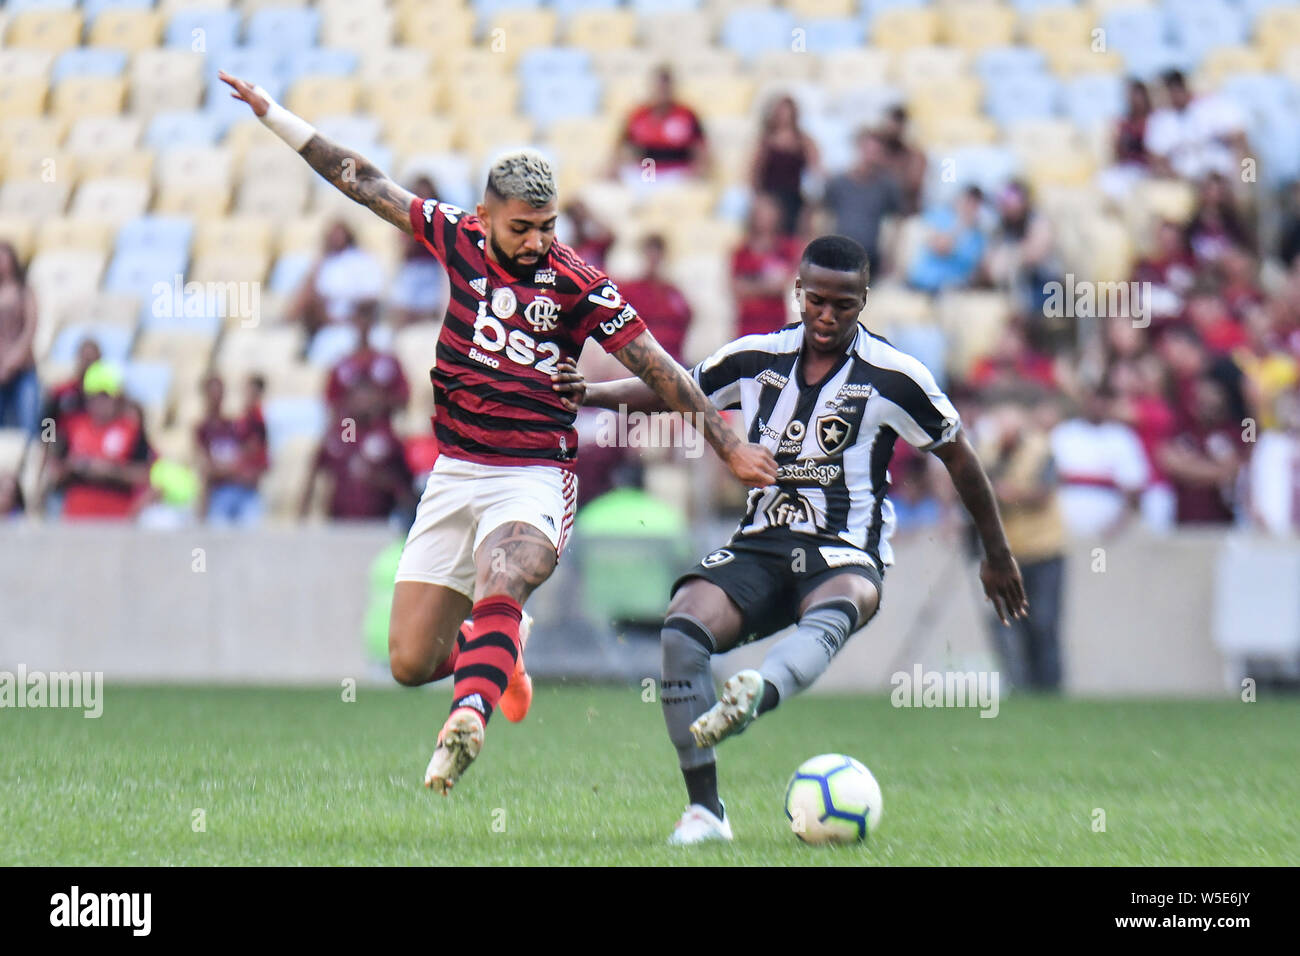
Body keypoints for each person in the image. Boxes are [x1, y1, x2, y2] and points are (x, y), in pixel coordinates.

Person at [219, 70, 775, 795]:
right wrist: (275, 116)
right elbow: (361, 179)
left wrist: (726, 442)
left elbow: (659, 366)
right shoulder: (456, 237)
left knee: (504, 576)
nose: (539, 241)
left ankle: (467, 718)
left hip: (533, 472)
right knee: (410, 662)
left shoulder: (578, 283)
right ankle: (501, 657)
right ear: (485, 216)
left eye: (549, 227)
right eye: (523, 227)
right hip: (455, 470)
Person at [576, 235, 1027, 844]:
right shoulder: (757, 356)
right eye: (816, 300)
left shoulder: (897, 377)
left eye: (843, 304)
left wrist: (997, 555)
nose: (827, 315)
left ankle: (757, 692)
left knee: (840, 601)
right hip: (762, 541)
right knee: (682, 630)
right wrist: (594, 392)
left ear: (864, 300)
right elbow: (674, 389)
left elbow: (962, 459)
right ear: (799, 292)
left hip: (846, 550)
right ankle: (706, 812)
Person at [974, 400, 1066, 692]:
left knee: (1044, 621)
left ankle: (1049, 687)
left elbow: (1044, 494)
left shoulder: (1042, 449)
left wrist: (1009, 495)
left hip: (1044, 549)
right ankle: (1020, 686)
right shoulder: (986, 451)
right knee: (1012, 624)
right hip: (1006, 554)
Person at [43, 361, 151, 521]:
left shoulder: (131, 429)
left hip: (115, 516)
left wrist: (110, 470)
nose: (100, 403)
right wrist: (71, 466)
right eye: (95, 396)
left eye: (105, 396)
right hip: (76, 515)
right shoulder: (72, 425)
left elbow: (145, 474)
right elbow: (47, 425)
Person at [288, 219, 385, 344]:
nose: (335, 239)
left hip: (354, 313)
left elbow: (372, 295)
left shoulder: (363, 260)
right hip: (325, 316)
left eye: (338, 234)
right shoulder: (323, 262)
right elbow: (313, 291)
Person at [822, 129, 903, 273]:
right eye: (868, 150)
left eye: (876, 152)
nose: (871, 156)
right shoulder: (838, 182)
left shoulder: (887, 186)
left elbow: (895, 221)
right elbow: (825, 216)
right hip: (838, 253)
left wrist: (890, 255)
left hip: (870, 257)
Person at [614, 66, 708, 186]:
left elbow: (700, 149)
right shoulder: (638, 115)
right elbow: (620, 146)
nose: (661, 93)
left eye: (665, 89)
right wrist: (613, 166)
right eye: (658, 88)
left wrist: (698, 170)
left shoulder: (686, 115)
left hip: (677, 173)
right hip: (648, 172)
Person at [195, 373, 267, 525]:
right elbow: (206, 468)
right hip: (219, 493)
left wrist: (226, 469)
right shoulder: (201, 430)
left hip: (245, 492)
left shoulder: (235, 426)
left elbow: (252, 459)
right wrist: (235, 470)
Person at [324, 299, 410, 421]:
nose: (363, 323)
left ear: (373, 322)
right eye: (359, 318)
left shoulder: (388, 362)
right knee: (347, 438)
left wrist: (378, 401)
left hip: (380, 426)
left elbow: (403, 399)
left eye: (367, 317)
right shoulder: (342, 365)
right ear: (353, 321)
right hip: (350, 426)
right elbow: (332, 403)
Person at [730, 192, 802, 338]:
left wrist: (753, 285)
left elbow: (790, 283)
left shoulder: (788, 249)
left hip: (778, 327)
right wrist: (769, 285)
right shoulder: (742, 252)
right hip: (748, 328)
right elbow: (737, 288)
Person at [751, 94, 822, 236]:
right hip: (770, 197)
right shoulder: (766, 141)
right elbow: (755, 171)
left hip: (794, 198)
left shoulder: (804, 141)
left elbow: (815, 171)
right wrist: (758, 198)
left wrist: (811, 202)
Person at [617, 234, 692, 364]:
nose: (653, 258)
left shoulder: (672, 291)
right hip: (644, 360)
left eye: (657, 253)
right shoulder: (630, 290)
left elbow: (688, 316)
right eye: (650, 253)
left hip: (674, 358)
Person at [390, 176, 449, 326]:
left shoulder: (442, 219)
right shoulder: (405, 218)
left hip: (435, 268)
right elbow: (405, 252)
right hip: (414, 268)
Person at [906, 185, 986, 294]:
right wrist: (961, 226)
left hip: (953, 291)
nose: (970, 206)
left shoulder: (978, 237)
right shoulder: (939, 217)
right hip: (923, 286)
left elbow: (975, 269)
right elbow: (940, 246)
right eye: (969, 201)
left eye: (975, 203)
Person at [0, 240, 39, 437]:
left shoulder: (24, 291)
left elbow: (31, 327)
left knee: (29, 424)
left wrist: (14, 358)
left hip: (22, 367)